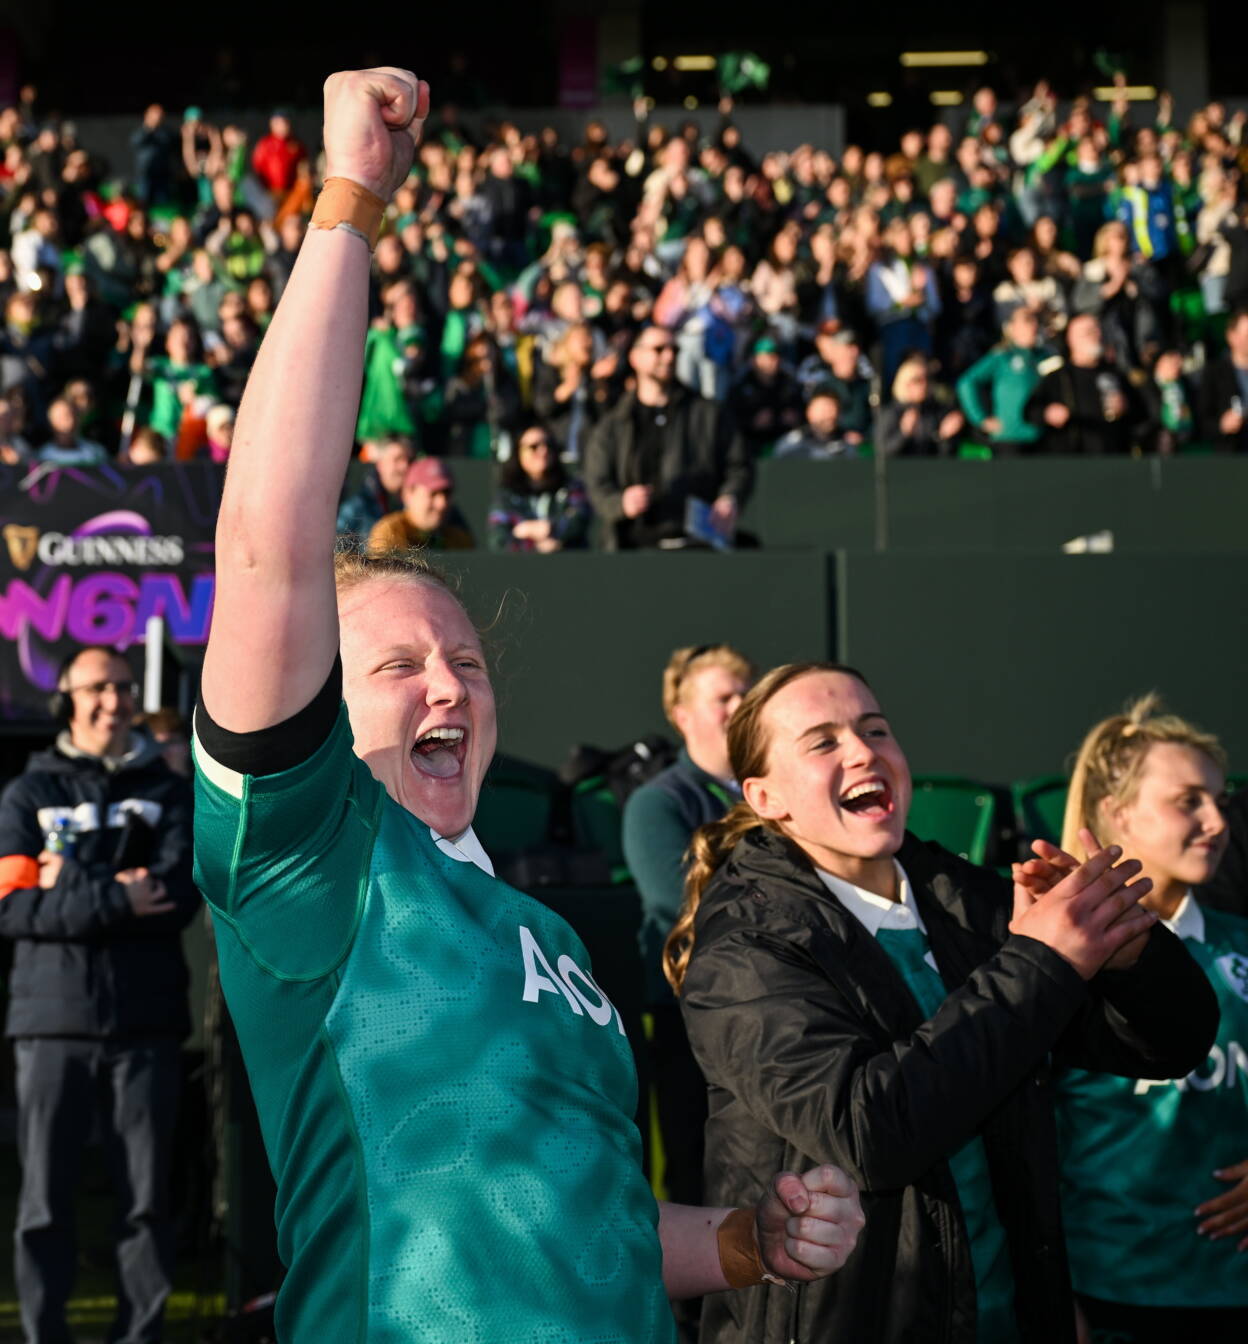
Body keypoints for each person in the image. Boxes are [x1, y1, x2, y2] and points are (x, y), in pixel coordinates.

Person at [192, 69, 863, 1344]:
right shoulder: (305, 865)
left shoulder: (535, 930)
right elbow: (270, 539)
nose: (449, 683)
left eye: (469, 663)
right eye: (398, 666)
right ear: (322, 699)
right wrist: (349, 203)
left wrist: (745, 1242)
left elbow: (588, 1216)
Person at [664, 661, 1218, 1344]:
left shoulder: (962, 897)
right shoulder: (745, 946)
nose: (865, 751)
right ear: (766, 795)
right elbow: (867, 1135)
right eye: (823, 741)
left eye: (876, 730)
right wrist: (1044, 960)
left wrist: (1124, 952)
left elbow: (1168, 1044)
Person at [0, 645, 197, 1344]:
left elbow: (175, 898)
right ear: (66, 698)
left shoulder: (169, 791)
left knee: (145, 1205)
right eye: (96, 688)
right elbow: (12, 909)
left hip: (146, 1025)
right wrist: (116, 892)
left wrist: (71, 883)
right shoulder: (28, 794)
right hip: (50, 1025)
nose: (112, 701)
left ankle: (139, 1335)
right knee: (42, 1206)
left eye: (121, 687)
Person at [1054, 697, 1248, 1342]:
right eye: (1188, 800)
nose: (1217, 821)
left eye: (1220, 800)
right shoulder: (1053, 952)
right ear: (1116, 811)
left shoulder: (1241, 941)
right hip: (1111, 1289)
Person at [622, 645, 754, 1209]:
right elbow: (681, 908)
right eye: (724, 696)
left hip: (766, 1013)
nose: (740, 704)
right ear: (682, 715)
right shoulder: (657, 804)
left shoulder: (769, 792)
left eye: (746, 692)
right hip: (691, 1016)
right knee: (698, 1177)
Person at [584, 325, 751, 550]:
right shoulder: (614, 423)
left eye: (674, 349)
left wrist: (728, 499)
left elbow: (739, 465)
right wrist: (620, 504)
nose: (669, 356)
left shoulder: (707, 413)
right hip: (632, 548)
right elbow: (597, 481)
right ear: (635, 357)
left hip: (695, 547)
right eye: (659, 349)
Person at [1025, 314, 1144, 455]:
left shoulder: (1115, 374)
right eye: (1088, 332)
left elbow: (1142, 414)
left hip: (1113, 458)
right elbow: (1029, 411)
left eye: (1097, 330)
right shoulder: (1058, 377)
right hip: (1072, 461)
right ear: (1071, 339)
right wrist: (1048, 413)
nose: (1096, 335)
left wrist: (1126, 405)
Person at [486, 423, 591, 552]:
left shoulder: (572, 487)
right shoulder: (506, 496)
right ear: (519, 453)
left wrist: (545, 528)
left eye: (548, 445)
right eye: (533, 447)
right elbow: (498, 540)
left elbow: (578, 521)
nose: (543, 451)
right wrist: (534, 545)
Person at [955, 307, 1047, 454]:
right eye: (1027, 320)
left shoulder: (1046, 356)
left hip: (1044, 438)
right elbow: (967, 382)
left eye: (1036, 320)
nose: (1034, 325)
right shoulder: (1002, 357)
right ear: (1011, 328)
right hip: (1010, 439)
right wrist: (981, 419)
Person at [367, 454, 474, 551]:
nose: (442, 504)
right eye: (433, 493)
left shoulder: (460, 539)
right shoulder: (389, 533)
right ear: (408, 494)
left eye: (447, 494)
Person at [876, 358, 964, 457]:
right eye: (917, 380)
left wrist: (944, 436)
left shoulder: (936, 411)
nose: (924, 384)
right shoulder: (891, 412)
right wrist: (903, 433)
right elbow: (882, 454)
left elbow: (944, 456)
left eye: (927, 378)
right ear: (905, 382)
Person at [336, 435, 414, 536]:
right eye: (397, 459)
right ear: (380, 464)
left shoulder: (414, 505)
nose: (405, 466)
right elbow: (337, 547)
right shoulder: (356, 508)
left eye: (410, 460)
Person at [1198, 305, 1248, 452]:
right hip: (1232, 455)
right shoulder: (1214, 372)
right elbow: (1202, 422)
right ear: (1231, 336)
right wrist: (1222, 424)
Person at [772, 392, 853, 460]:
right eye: (823, 410)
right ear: (809, 413)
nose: (830, 415)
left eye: (834, 409)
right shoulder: (792, 443)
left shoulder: (847, 444)